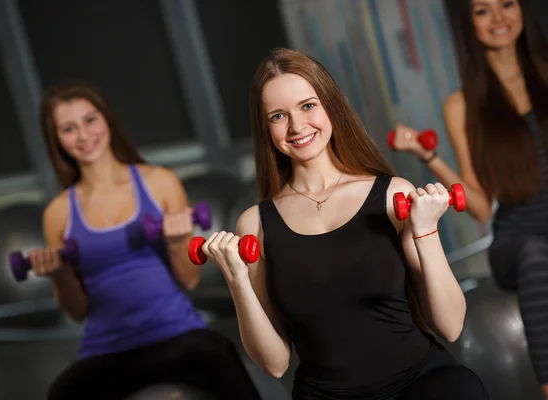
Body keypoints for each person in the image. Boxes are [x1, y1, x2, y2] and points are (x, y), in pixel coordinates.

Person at [198, 48, 488, 399]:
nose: (297, 126)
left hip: (419, 384)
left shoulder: (392, 195)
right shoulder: (256, 224)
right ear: (265, 128)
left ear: (330, 106)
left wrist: (425, 231)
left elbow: (452, 326)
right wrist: (236, 279)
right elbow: (274, 364)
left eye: (307, 106)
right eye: (278, 116)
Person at [27, 80, 262, 400]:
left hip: (177, 336)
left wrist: (178, 242)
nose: (83, 136)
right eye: (68, 129)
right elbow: (78, 311)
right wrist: (60, 275)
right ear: (56, 140)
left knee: (219, 356)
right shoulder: (57, 213)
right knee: (62, 392)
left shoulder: (160, 183)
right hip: (107, 350)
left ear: (107, 118)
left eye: (90, 119)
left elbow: (190, 281)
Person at [391, 0, 548, 397]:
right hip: (518, 240)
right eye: (482, 10)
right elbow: (478, 205)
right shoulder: (462, 106)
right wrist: (428, 156)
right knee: (535, 255)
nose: (498, 18)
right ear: (469, 25)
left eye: (507, 4)